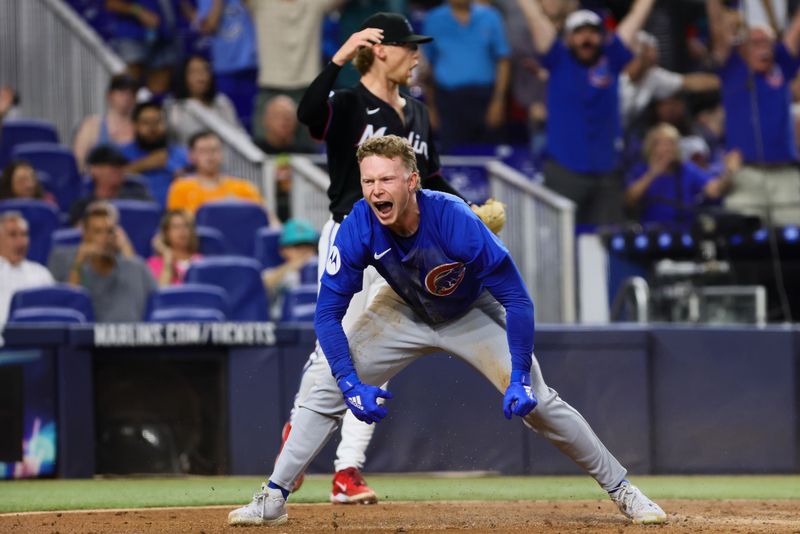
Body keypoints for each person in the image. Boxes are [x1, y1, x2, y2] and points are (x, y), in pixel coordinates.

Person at [227, 135, 667, 527]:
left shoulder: (455, 220)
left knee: (541, 403)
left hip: (470, 311)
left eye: (387, 179)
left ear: (412, 181)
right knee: (324, 384)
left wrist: (516, 377)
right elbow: (326, 314)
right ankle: (273, 498)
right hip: (401, 308)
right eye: (368, 181)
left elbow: (517, 300)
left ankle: (624, 491)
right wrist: (350, 382)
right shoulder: (359, 224)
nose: (376, 189)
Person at [293, 12, 501, 504]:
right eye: (409, 46)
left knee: (381, 350)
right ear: (381, 50)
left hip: (404, 247)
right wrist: (340, 57)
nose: (417, 56)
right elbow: (306, 116)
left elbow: (428, 180)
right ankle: (298, 440)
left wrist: (468, 211)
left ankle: (347, 471)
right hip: (351, 232)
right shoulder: (348, 103)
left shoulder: (418, 111)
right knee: (335, 347)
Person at [516, 0, 656, 225]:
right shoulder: (557, 58)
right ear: (568, 38)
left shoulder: (612, 58)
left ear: (602, 36)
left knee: (607, 242)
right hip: (564, 170)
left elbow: (637, 16)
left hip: (607, 173)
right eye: (579, 33)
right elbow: (535, 17)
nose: (586, 38)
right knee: (560, 237)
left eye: (592, 32)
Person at [707, 0, 800, 226]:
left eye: (767, 42)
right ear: (743, 48)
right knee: (742, 241)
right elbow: (718, 27)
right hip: (744, 175)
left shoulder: (782, 66)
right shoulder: (732, 69)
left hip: (785, 174)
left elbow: (796, 28)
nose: (764, 47)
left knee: (794, 239)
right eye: (756, 42)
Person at [422, 0, 511, 152]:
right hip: (448, 101)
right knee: (450, 155)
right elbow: (427, 67)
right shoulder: (433, 19)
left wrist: (498, 101)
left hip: (484, 99)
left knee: (488, 155)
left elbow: (503, 61)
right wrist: (431, 107)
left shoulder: (490, 17)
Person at [249, 0, 342, 143]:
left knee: (309, 154)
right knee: (262, 153)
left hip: (306, 89)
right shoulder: (262, 3)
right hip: (270, 87)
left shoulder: (314, 3)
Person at [61, 202, 156, 322]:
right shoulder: (76, 270)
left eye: (109, 231)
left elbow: (158, 302)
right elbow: (70, 310)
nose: (105, 237)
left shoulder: (137, 267)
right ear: (85, 234)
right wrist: (79, 260)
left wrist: (125, 245)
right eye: (98, 232)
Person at [623, 123, 734, 225]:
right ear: (650, 147)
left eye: (670, 143)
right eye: (660, 144)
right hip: (651, 234)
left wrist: (728, 172)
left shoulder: (687, 170)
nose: (666, 149)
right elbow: (629, 200)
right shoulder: (641, 170)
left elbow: (714, 190)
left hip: (685, 234)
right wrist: (653, 173)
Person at [621, 31, 720, 129]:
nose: (654, 58)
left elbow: (689, 82)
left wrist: (727, 82)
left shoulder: (652, 76)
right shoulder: (616, 74)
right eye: (649, 53)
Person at [194, 0, 259, 131]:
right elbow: (208, 27)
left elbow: (262, 21)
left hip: (251, 65)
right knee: (227, 120)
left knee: (252, 119)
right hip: (224, 68)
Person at [166, 130, 263, 215]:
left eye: (214, 150)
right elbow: (172, 226)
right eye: (203, 151)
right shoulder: (180, 188)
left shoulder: (244, 188)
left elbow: (267, 219)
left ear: (221, 154)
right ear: (191, 156)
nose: (210, 156)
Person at [121, 100, 190, 208]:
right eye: (146, 123)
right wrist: (146, 163)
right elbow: (111, 179)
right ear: (135, 125)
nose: (152, 128)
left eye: (157, 122)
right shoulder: (122, 153)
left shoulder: (182, 154)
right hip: (137, 215)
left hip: (175, 217)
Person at [104, 0, 181, 95]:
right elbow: (111, 3)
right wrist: (139, 11)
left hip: (165, 36)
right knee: (128, 88)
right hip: (133, 34)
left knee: (156, 96)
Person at [164, 55, 244, 146]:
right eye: (194, 71)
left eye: (205, 70)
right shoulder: (173, 107)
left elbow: (238, 133)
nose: (201, 76)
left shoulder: (222, 102)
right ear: (183, 76)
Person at [68, 144, 153, 226]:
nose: (118, 170)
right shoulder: (82, 207)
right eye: (112, 165)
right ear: (94, 169)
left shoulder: (139, 198)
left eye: (120, 165)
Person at [72, 73, 138, 172]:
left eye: (131, 93)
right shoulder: (91, 126)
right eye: (122, 91)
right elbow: (77, 164)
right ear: (110, 95)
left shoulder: (140, 128)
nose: (127, 97)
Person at [0, 212, 54, 325]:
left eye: (24, 234)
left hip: (32, 337)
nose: (21, 241)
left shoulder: (41, 273)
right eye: (13, 234)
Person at [261, 218, 319, 318]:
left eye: (308, 245)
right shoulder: (278, 272)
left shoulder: (324, 267)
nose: (303, 250)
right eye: (297, 246)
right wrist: (292, 266)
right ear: (283, 250)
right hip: (285, 324)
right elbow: (261, 285)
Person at [147, 209, 201, 286]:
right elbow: (161, 292)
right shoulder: (154, 263)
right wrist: (167, 257)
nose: (182, 230)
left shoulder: (201, 261)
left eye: (186, 226)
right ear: (166, 233)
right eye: (176, 227)